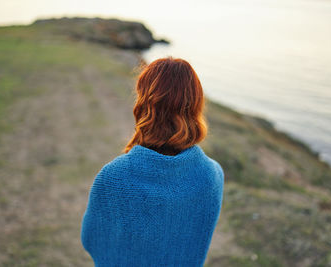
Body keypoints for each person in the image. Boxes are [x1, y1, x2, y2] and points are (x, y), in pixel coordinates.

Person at [80, 56, 224, 267]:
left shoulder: (114, 177)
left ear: (144, 105)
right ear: (195, 106)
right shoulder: (214, 174)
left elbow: (91, 239)